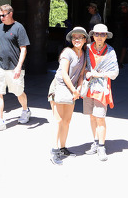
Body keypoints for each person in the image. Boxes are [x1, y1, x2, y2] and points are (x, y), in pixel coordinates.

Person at [47, 26, 88, 165]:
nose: (77, 40)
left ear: (84, 40)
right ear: (71, 39)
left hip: (72, 90)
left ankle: (63, 147)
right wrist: (74, 90)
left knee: (66, 121)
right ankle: (54, 149)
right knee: (58, 120)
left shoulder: (83, 54)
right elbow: (64, 73)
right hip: (60, 87)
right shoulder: (67, 52)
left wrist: (79, 88)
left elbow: (81, 74)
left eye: (80, 37)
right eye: (74, 37)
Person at [0, 4, 31, 133]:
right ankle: (0, 121)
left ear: (10, 14)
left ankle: (25, 110)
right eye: (0, 15)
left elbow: (23, 49)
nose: (1, 17)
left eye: (4, 15)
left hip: (14, 67)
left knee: (18, 92)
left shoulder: (19, 28)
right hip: (0, 65)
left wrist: (18, 67)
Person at [83, 23, 119, 161]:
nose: (99, 37)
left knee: (100, 117)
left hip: (101, 89)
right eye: (96, 34)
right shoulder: (87, 49)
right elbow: (83, 66)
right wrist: (87, 73)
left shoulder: (110, 51)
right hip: (89, 88)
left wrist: (98, 75)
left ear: (106, 37)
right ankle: (95, 142)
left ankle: (102, 146)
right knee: (92, 116)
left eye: (102, 34)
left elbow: (114, 72)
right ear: (92, 35)